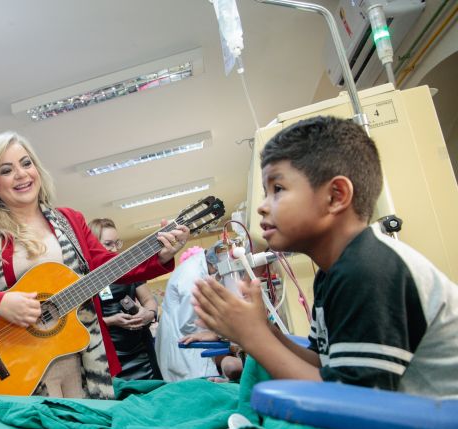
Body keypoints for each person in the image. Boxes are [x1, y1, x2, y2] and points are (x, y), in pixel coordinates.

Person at [193, 115, 458, 397]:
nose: (262, 207)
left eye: (277, 189)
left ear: (336, 196)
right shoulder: (331, 274)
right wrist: (267, 331)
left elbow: (357, 403)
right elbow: (324, 364)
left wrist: (253, 338)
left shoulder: (369, 270)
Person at [0, 131, 189, 399]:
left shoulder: (70, 220)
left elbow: (107, 265)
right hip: (20, 367)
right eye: (7, 170)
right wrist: (0, 303)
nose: (21, 175)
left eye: (26, 163)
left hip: (82, 358)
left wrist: (159, 255)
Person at [88, 217, 162, 380]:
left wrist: (148, 313)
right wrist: (111, 320)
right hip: (108, 353)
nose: (114, 249)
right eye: (108, 244)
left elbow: (149, 300)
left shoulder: (127, 268)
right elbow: (82, 323)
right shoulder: (86, 277)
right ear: (93, 245)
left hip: (141, 349)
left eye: (117, 243)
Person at [155, 246, 219, 381]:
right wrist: (219, 334)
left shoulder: (199, 267)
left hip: (182, 339)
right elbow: (189, 322)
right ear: (216, 263)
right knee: (199, 388)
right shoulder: (193, 273)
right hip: (184, 342)